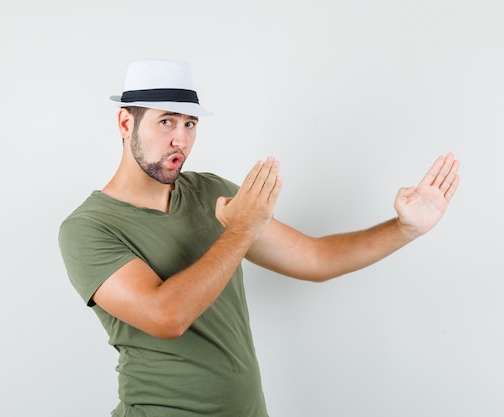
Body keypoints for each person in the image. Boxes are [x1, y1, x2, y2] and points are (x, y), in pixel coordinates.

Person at [58, 59, 460, 417]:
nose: (181, 139)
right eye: (166, 121)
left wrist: (404, 228)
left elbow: (315, 258)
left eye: (190, 123)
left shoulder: (209, 192)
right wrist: (241, 229)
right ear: (126, 123)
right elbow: (167, 317)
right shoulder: (89, 227)